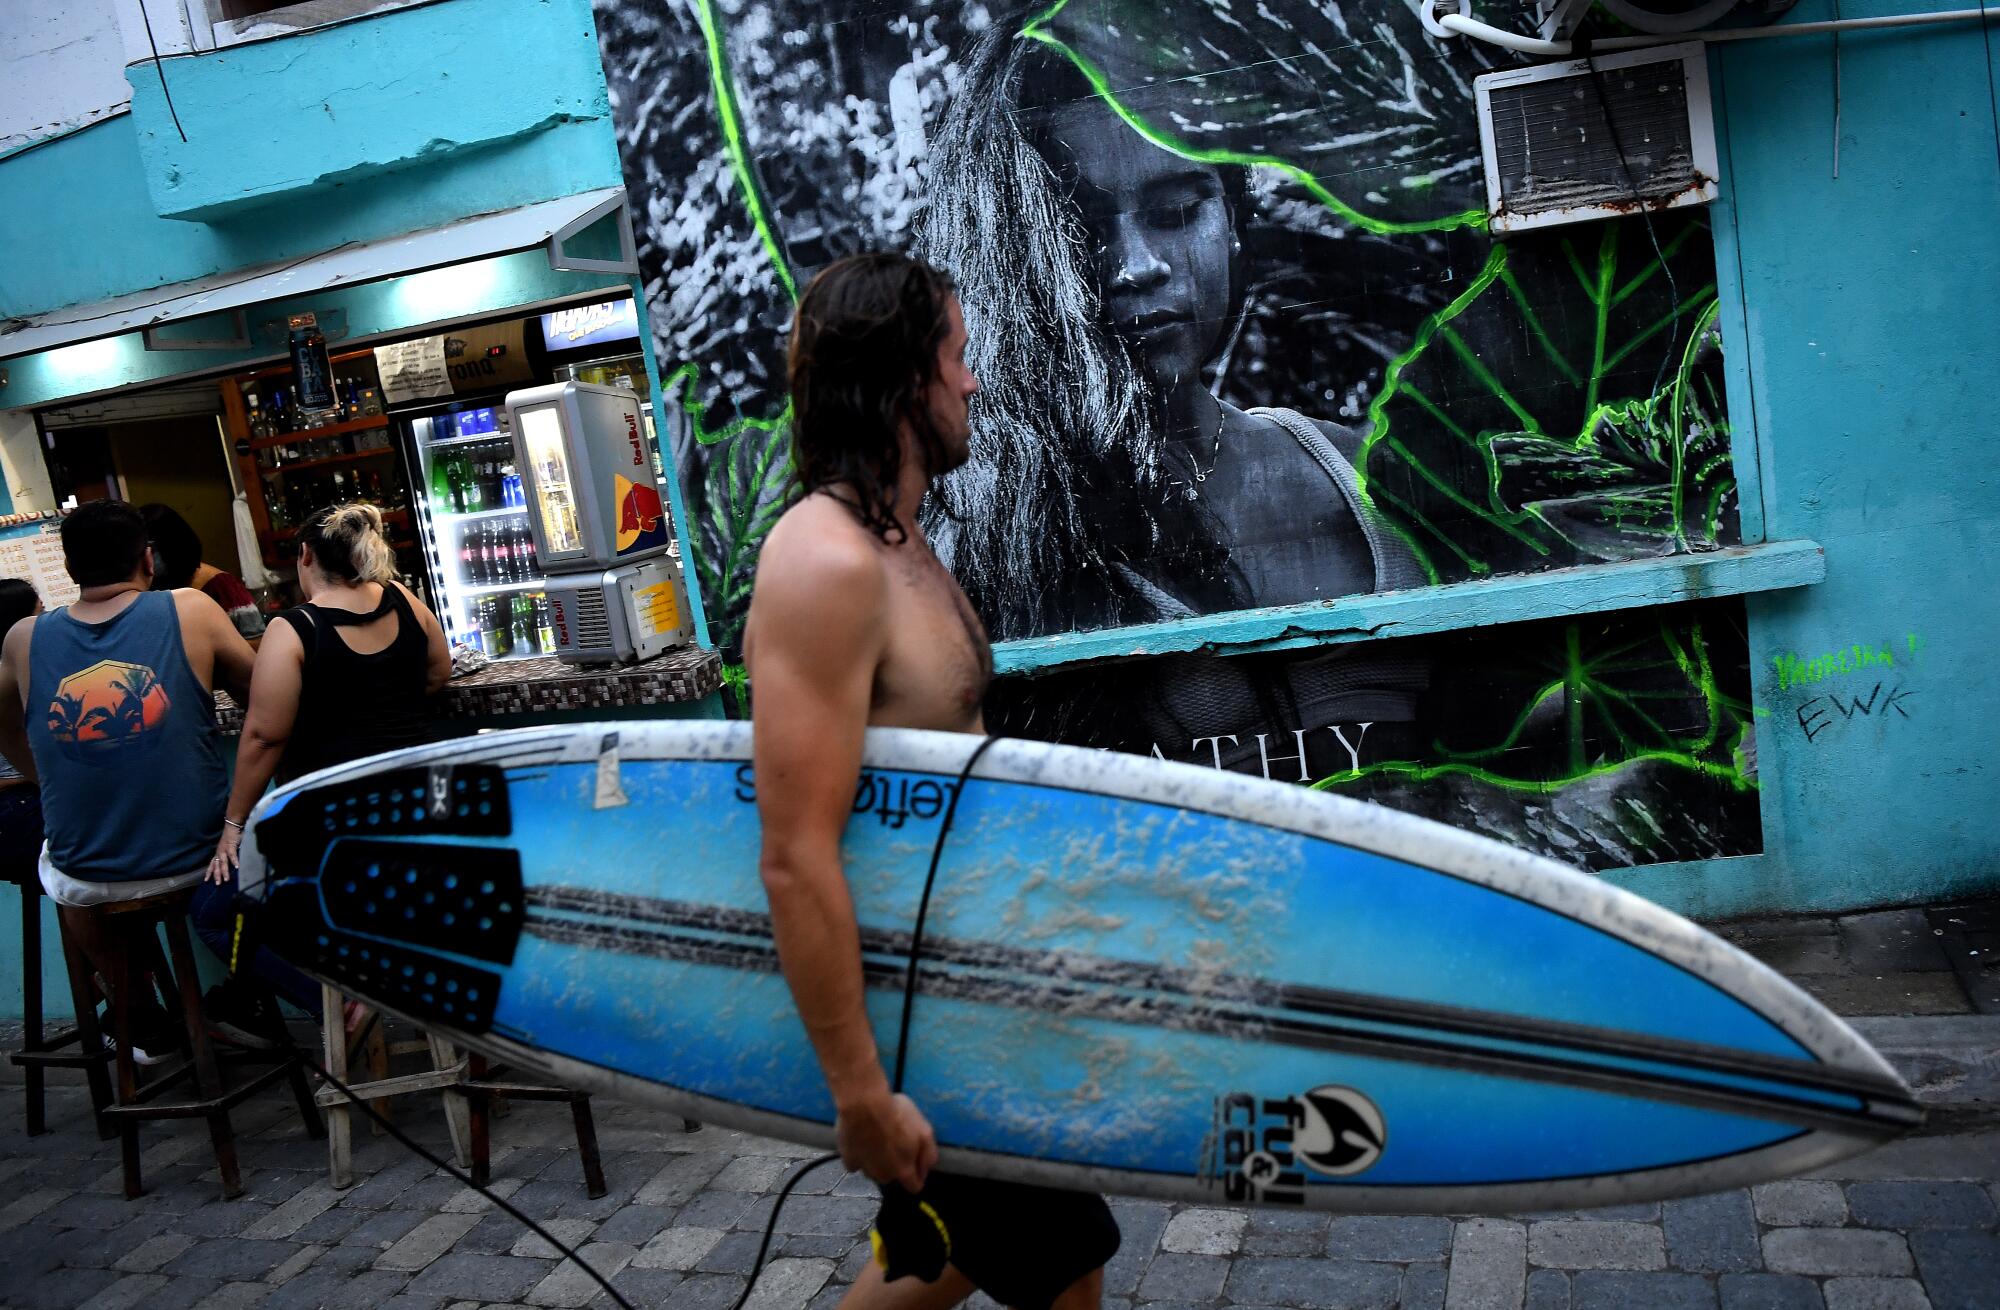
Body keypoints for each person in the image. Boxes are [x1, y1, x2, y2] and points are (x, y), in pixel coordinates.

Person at [745, 252, 1119, 1310]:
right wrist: (859, 1093)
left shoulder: (899, 539)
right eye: (955, 355)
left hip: (985, 996)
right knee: (1055, 1255)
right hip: (934, 1023)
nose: (973, 380)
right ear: (905, 376)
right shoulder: (825, 564)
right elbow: (793, 852)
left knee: (973, 1249)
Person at [916, 27, 1422, 643]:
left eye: (1177, 212)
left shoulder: (1351, 474)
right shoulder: (994, 532)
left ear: (1233, 219)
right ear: (1015, 258)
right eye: (1080, 229)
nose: (1139, 265)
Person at [0, 500, 257, 1057]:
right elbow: (263, 696)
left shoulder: (23, 637)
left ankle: (137, 1013)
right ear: (148, 558)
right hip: (201, 857)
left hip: (91, 874)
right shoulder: (190, 607)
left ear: (68, 570)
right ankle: (242, 1000)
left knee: (61, 870)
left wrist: (42, 773)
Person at [201, 503, 449, 1039]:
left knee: (216, 913)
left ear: (305, 556)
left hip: (340, 837)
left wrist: (233, 825)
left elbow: (265, 734)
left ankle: (340, 1007)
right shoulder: (404, 600)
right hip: (428, 822)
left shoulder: (295, 628)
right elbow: (438, 671)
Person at [141, 503, 267, 642]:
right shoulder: (150, 591)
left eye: (151, 550)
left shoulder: (220, 586)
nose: (145, 558)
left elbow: (257, 643)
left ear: (172, 546)